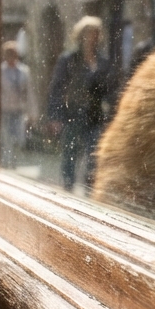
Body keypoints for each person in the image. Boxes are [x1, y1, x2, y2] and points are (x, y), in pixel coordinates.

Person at [45, 16, 118, 193]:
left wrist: (113, 116)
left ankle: (89, 190)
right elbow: (56, 88)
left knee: (94, 155)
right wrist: (55, 116)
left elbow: (110, 90)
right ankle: (68, 189)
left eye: (95, 33)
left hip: (95, 115)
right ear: (81, 35)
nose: (92, 37)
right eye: (88, 33)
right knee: (70, 156)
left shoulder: (103, 61)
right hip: (73, 113)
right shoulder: (68, 59)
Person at [0, 41, 35, 170]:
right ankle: (6, 162)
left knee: (18, 137)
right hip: (5, 109)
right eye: (8, 54)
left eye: (13, 54)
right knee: (6, 137)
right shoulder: (1, 71)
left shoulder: (24, 71)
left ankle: (13, 161)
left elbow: (29, 92)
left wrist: (32, 112)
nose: (11, 57)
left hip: (18, 109)